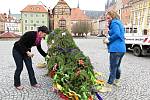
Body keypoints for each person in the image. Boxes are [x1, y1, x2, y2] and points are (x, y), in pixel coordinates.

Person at [12, 26, 49, 90]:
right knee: (19, 67)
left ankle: (33, 83)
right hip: (17, 50)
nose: (44, 37)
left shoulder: (38, 39)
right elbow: (20, 44)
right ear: (40, 32)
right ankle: (17, 84)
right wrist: (27, 52)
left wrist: (46, 56)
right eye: (44, 34)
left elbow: (39, 49)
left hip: (26, 52)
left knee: (30, 67)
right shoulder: (30, 34)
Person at [100, 10, 126, 92]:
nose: (107, 19)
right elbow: (119, 33)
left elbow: (117, 34)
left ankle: (108, 86)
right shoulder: (119, 23)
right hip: (122, 49)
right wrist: (109, 30)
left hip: (116, 49)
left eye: (108, 17)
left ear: (112, 16)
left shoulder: (114, 23)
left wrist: (108, 39)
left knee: (113, 67)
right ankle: (117, 81)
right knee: (117, 66)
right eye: (106, 17)